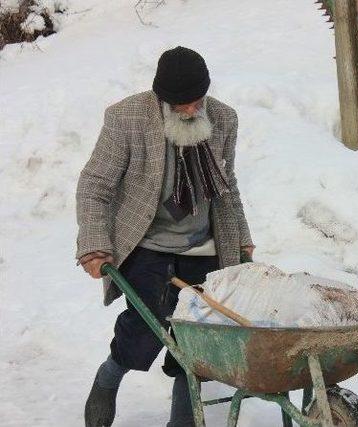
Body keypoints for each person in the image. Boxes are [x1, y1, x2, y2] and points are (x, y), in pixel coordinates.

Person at [75, 46, 255, 426]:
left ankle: (183, 419)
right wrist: (94, 244)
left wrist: (241, 238)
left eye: (196, 102)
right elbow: (96, 185)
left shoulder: (223, 119)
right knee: (148, 324)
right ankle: (109, 377)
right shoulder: (127, 118)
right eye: (180, 105)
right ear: (162, 98)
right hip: (146, 243)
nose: (190, 111)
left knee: (197, 336)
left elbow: (229, 186)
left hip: (204, 245)